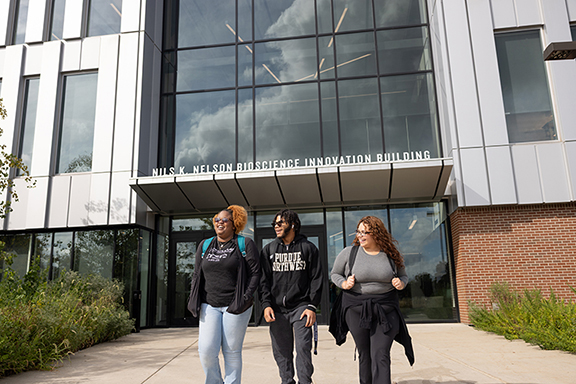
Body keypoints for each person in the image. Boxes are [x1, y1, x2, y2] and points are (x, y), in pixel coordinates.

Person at [330, 216, 414, 384]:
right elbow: (334, 274)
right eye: (358, 231)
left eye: (365, 232)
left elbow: (404, 276)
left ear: (376, 234)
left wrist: (401, 283)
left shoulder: (391, 255)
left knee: (381, 353)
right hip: (356, 311)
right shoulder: (349, 253)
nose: (360, 236)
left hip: (386, 310)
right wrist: (345, 283)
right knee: (365, 353)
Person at [188, 205, 260, 384]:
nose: (219, 223)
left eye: (224, 220)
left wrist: (244, 298)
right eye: (216, 220)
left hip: (235, 306)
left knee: (232, 352)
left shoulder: (244, 244)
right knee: (206, 351)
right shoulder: (205, 245)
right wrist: (192, 298)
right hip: (209, 304)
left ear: (234, 224)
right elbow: (197, 274)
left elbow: (256, 274)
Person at [259, 209, 323, 384]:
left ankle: (305, 381)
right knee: (281, 350)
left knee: (303, 347)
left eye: (281, 223)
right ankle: (287, 381)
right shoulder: (269, 250)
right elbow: (263, 281)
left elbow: (316, 279)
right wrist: (266, 304)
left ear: (293, 224)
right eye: (275, 224)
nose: (276, 226)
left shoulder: (308, 248)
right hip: (277, 309)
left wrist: (311, 306)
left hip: (301, 306)